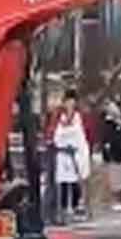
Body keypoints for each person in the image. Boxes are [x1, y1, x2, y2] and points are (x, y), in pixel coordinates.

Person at [42, 89, 95, 224]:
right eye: (67, 102)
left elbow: (89, 133)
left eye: (72, 102)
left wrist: (88, 147)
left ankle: (83, 208)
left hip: (79, 151)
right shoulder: (58, 116)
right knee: (62, 182)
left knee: (81, 179)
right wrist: (51, 141)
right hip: (62, 152)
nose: (70, 104)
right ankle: (62, 210)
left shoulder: (81, 116)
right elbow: (52, 132)